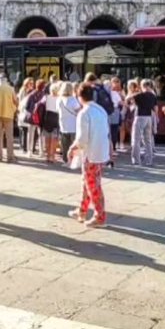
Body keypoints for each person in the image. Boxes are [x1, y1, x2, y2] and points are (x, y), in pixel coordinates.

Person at [68, 82, 112, 228]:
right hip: (100, 151)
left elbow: (82, 139)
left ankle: (99, 216)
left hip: (90, 153)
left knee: (92, 185)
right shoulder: (100, 110)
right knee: (89, 182)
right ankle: (82, 210)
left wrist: (72, 148)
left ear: (79, 96)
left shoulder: (84, 113)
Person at [0, 72, 19, 162]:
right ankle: (10, 156)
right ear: (6, 79)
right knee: (9, 136)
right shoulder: (11, 89)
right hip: (8, 114)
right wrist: (14, 109)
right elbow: (15, 101)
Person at [129, 78, 157, 166]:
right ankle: (149, 160)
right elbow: (155, 109)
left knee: (136, 139)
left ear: (142, 86)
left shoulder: (139, 95)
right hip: (149, 117)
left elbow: (129, 98)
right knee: (148, 140)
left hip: (140, 116)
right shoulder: (153, 96)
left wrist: (134, 92)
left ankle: (136, 160)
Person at [57, 80, 80, 163]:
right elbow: (78, 111)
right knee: (74, 143)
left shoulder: (59, 99)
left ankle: (65, 159)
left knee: (65, 143)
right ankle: (74, 160)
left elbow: (57, 110)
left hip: (63, 123)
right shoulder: (73, 99)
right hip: (73, 124)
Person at [42, 81, 62, 163]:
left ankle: (47, 156)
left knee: (47, 138)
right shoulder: (59, 98)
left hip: (47, 117)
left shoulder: (46, 97)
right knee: (54, 139)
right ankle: (52, 157)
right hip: (56, 118)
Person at [17, 77, 37, 155]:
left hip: (27, 113)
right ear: (26, 84)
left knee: (28, 131)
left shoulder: (32, 91)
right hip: (24, 112)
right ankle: (24, 147)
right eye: (30, 83)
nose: (32, 85)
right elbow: (21, 102)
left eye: (32, 83)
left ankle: (29, 147)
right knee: (24, 131)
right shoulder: (23, 91)